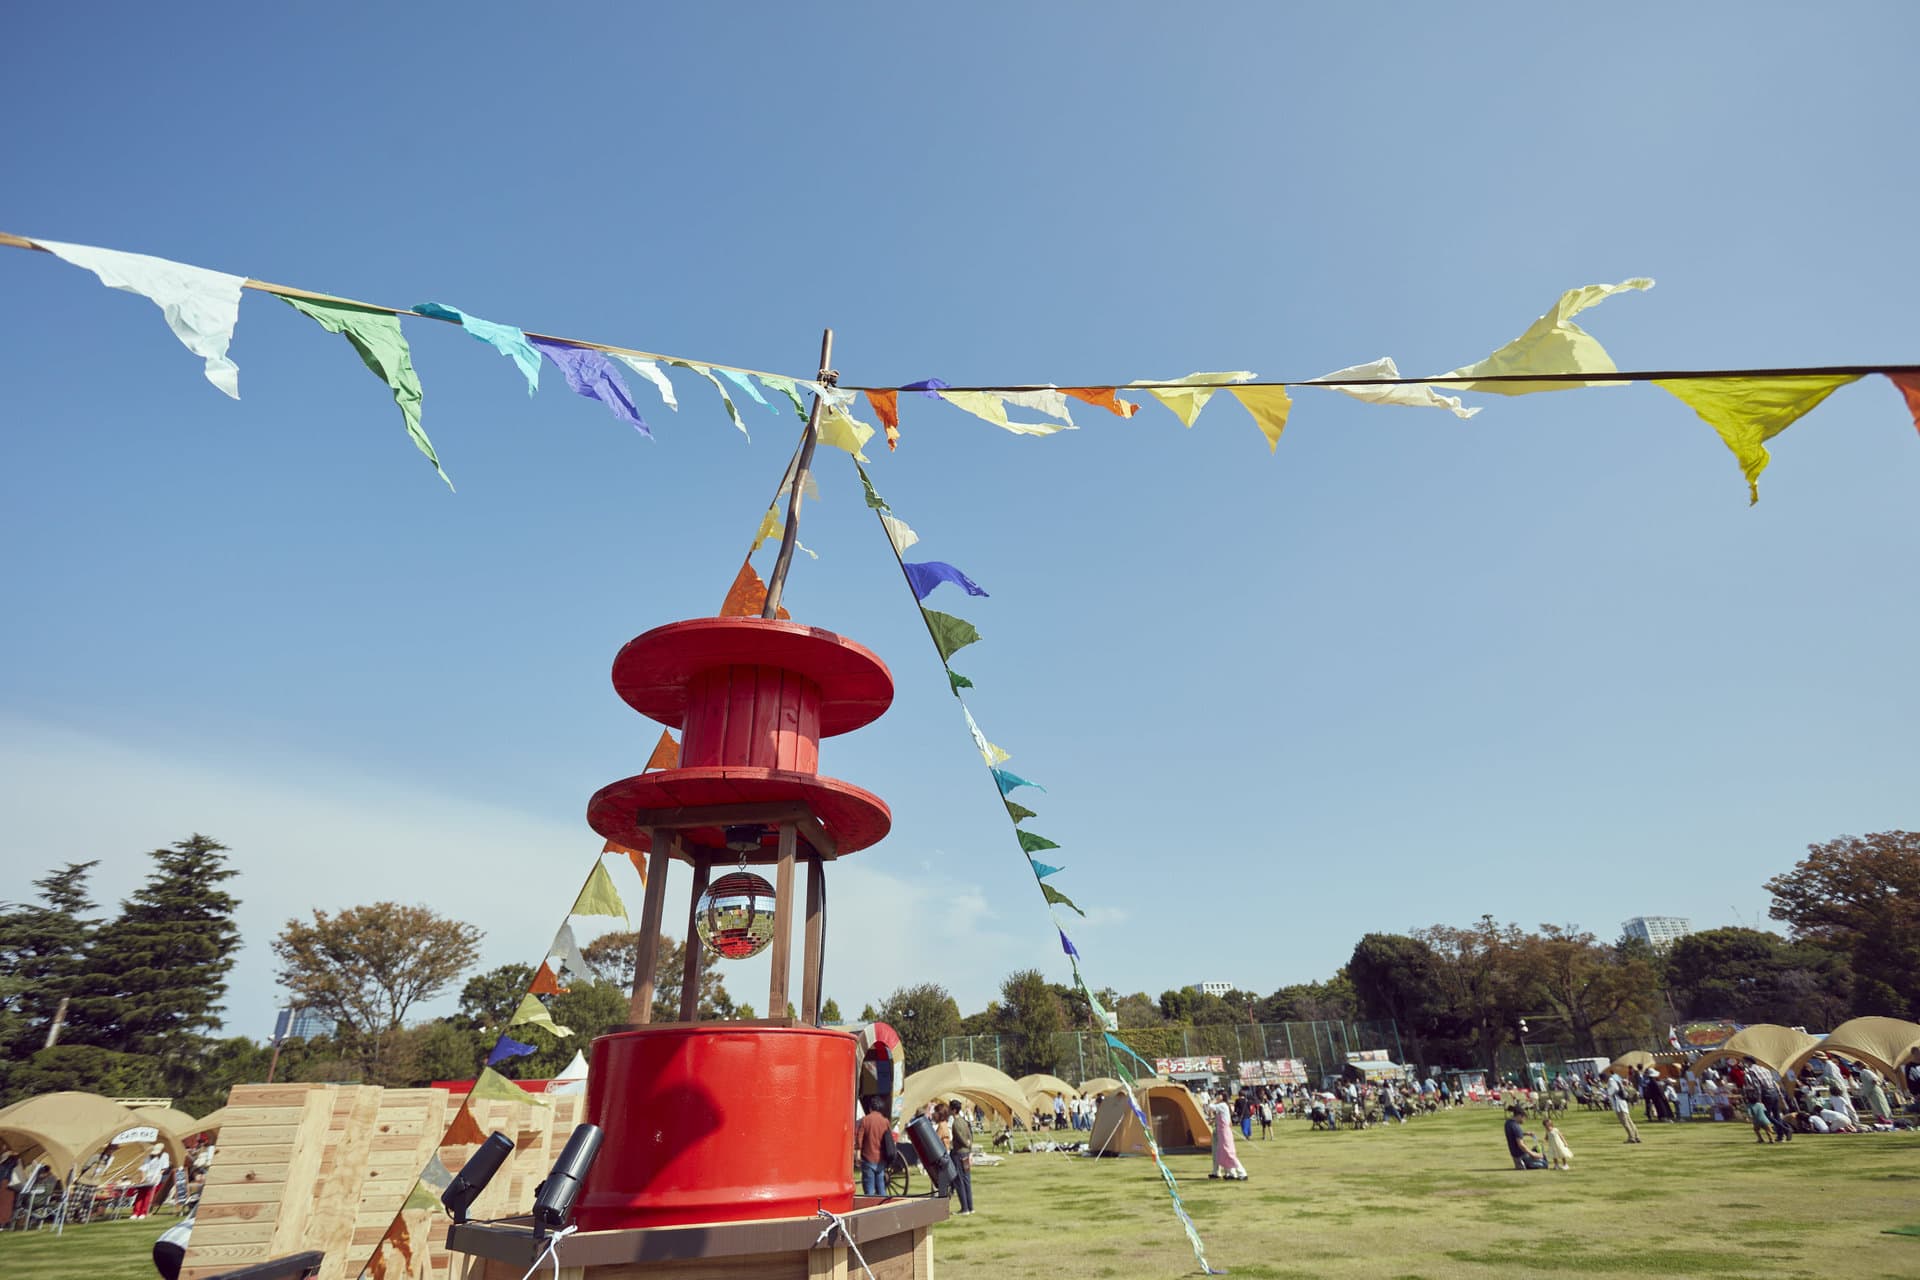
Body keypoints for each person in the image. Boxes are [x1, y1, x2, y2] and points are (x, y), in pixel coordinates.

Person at [856, 1096, 891, 1197]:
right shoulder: (885, 1121)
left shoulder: (865, 1120)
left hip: (868, 1158)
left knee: (869, 1191)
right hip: (881, 1159)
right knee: (881, 1189)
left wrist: (857, 1156)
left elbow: (859, 1139)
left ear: (870, 1108)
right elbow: (889, 1140)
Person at [1209, 1091, 1248, 1180]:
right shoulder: (1222, 1106)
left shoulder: (1222, 1105)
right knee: (1223, 1153)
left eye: (1218, 1095)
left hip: (1225, 1132)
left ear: (1222, 1097)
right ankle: (1231, 1173)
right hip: (1222, 1132)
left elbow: (1211, 1107)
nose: (1217, 1096)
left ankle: (1242, 1173)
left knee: (1229, 1153)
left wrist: (1213, 1101)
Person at [947, 1098, 974, 1215]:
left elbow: (960, 1138)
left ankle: (965, 1208)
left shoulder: (956, 1123)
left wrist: (966, 1144)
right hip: (966, 1153)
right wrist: (970, 1146)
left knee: (959, 1180)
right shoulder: (964, 1121)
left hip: (959, 1153)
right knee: (967, 1179)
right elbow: (969, 1135)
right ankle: (970, 1206)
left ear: (953, 1110)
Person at [131, 1145, 169, 1219]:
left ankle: (143, 1212)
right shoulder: (148, 1156)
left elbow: (164, 1168)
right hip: (146, 1178)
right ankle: (135, 1212)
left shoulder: (165, 1155)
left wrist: (157, 1176)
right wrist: (143, 1178)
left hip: (155, 1178)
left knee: (148, 1195)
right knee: (140, 1194)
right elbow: (144, 1168)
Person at [1606, 1072, 1642, 1144]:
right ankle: (1637, 1136)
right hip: (1623, 1102)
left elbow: (1614, 1089)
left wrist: (1608, 1093)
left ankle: (1631, 1137)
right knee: (1629, 1120)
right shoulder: (1616, 1079)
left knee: (1624, 1121)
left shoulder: (1611, 1080)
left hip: (1619, 1103)